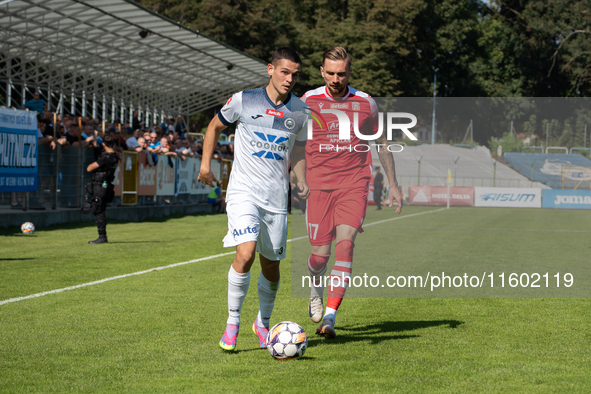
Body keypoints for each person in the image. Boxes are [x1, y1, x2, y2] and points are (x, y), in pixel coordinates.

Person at [198, 47, 309, 352]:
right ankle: (232, 323)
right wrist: (205, 165)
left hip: (276, 199)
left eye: (295, 75)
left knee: (271, 267)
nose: (290, 79)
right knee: (245, 254)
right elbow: (214, 126)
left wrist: (301, 180)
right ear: (270, 69)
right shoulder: (244, 100)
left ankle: (262, 323)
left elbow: (298, 151)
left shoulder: (300, 112)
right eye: (285, 72)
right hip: (243, 192)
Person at [302, 47, 403, 338]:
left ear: (350, 72)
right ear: (322, 72)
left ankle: (330, 317)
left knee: (345, 245)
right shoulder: (307, 101)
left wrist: (393, 185)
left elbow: (381, 143)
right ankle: (315, 288)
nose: (336, 78)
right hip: (319, 184)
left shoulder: (365, 103)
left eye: (342, 73)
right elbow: (293, 140)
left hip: (355, 183)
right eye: (331, 73)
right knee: (319, 258)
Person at [83, 135, 119, 244]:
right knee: (101, 210)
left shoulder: (105, 158)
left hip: (99, 186)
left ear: (103, 144)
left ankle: (102, 236)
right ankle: (102, 236)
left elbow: (89, 168)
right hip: (106, 185)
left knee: (98, 211)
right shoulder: (115, 156)